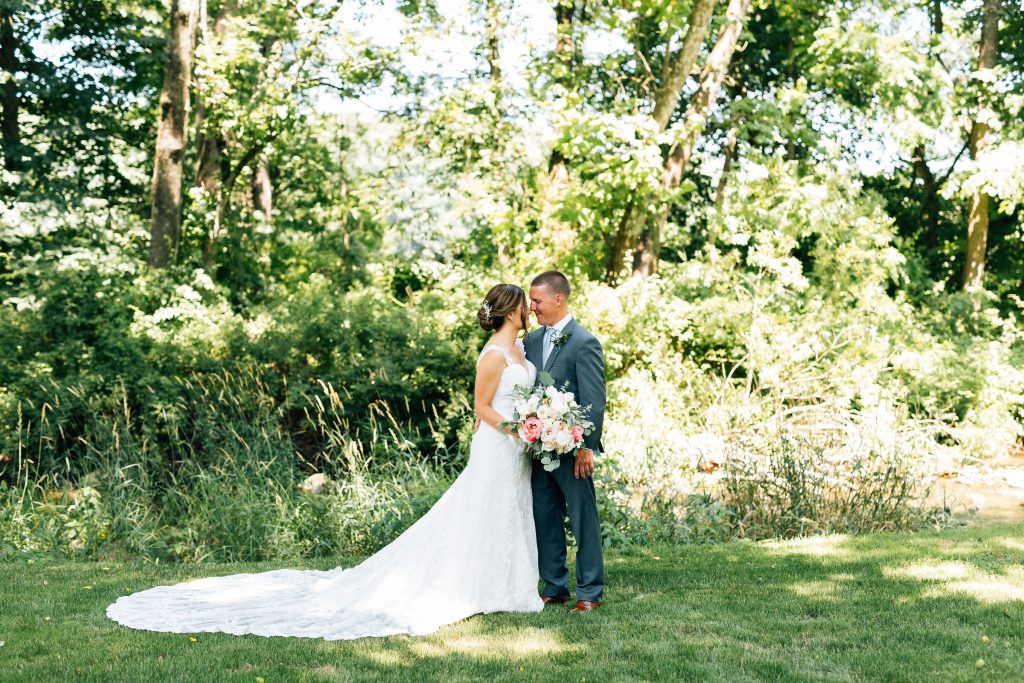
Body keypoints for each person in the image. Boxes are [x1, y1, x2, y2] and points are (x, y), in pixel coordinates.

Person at [105, 284, 544, 640]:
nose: (528, 311)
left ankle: (504, 585)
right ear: (510, 312)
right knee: (478, 510)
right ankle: (474, 585)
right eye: (523, 306)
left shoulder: (522, 352)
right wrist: (518, 429)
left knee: (505, 512)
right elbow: (482, 407)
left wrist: (538, 424)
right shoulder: (492, 355)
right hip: (499, 444)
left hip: (515, 448)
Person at [524, 270, 606, 613]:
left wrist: (586, 445)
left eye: (537, 301)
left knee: (582, 518)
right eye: (531, 301)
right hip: (538, 448)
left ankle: (589, 591)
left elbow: (593, 399)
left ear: (559, 299)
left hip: (573, 450)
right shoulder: (530, 341)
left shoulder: (583, 341)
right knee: (544, 516)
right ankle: (554, 586)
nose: (532, 308)